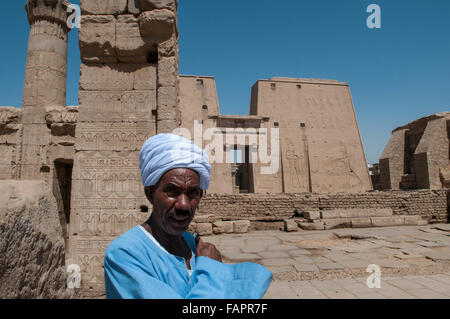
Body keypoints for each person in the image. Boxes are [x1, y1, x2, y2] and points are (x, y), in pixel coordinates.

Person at [104, 133, 272, 299]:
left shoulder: (190, 241)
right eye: (173, 192)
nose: (184, 204)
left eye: (192, 192)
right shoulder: (124, 254)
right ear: (150, 193)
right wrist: (212, 269)